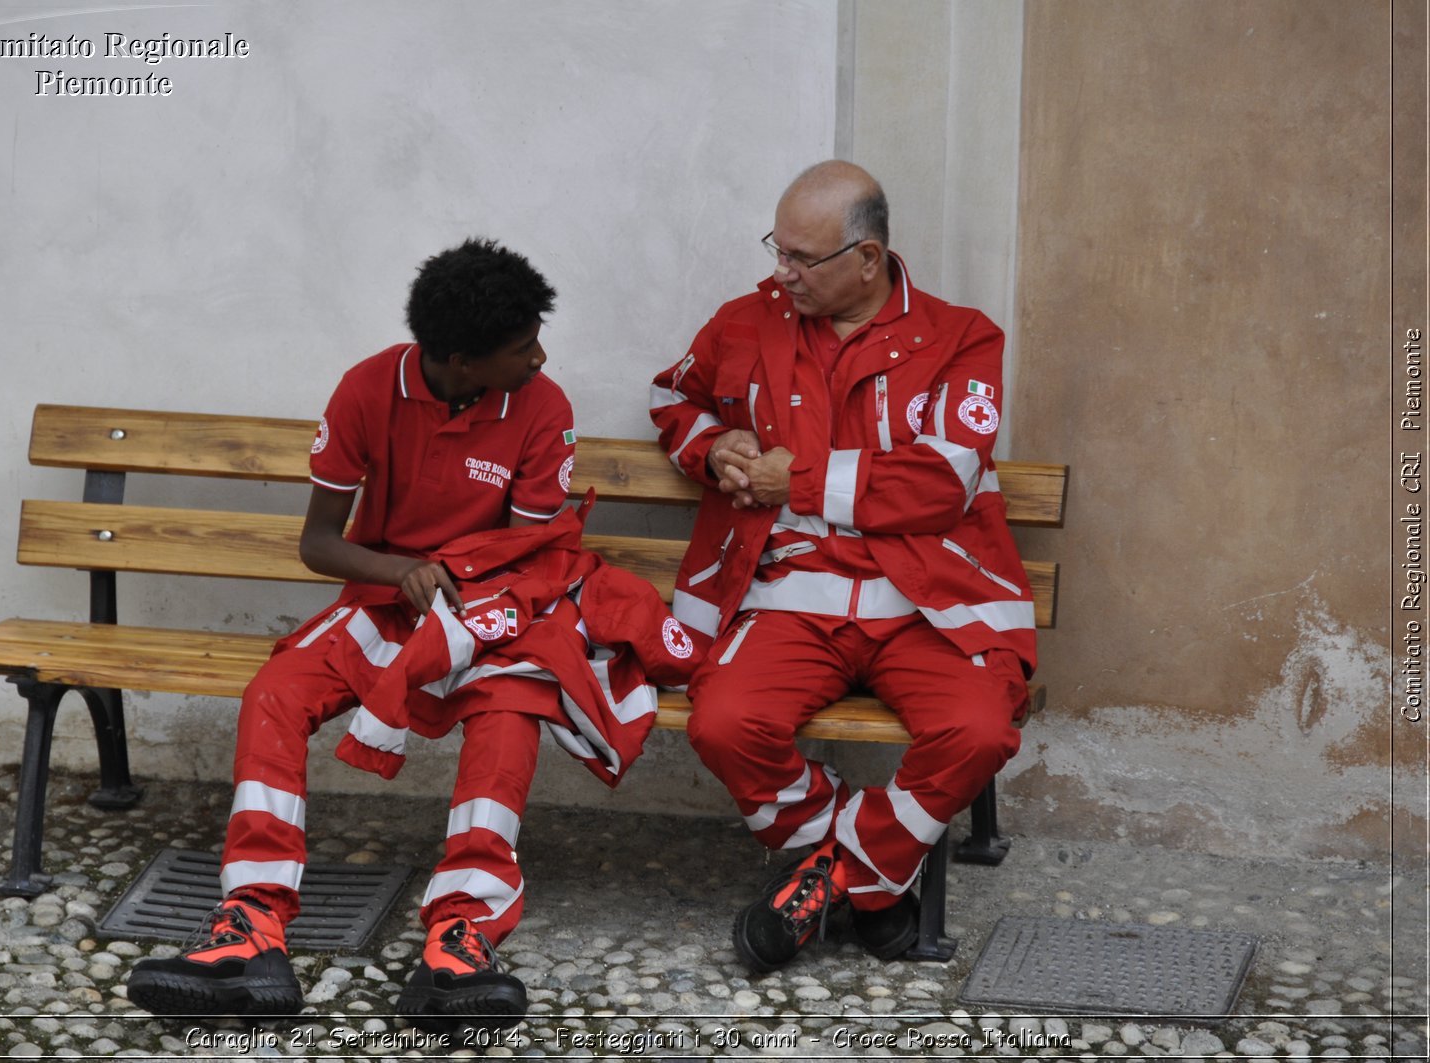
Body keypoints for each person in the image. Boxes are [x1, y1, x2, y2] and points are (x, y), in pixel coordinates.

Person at [127, 238, 576, 1030]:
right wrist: (401, 569)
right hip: (381, 607)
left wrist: (456, 596)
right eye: (521, 346)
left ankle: (460, 935)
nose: (540, 357)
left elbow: (530, 558)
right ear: (461, 359)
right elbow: (318, 542)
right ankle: (252, 926)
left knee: (510, 717)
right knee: (276, 690)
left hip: (492, 617)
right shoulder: (370, 389)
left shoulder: (544, 409)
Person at [648, 161, 1037, 972]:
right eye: (777, 248)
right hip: (790, 596)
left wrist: (795, 478)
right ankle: (876, 879)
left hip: (927, 603)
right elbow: (672, 399)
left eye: (801, 257)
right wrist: (713, 444)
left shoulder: (962, 337)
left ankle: (829, 875)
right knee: (723, 721)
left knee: (978, 728)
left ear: (867, 258)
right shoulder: (745, 321)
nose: (779, 271)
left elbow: (940, 482)